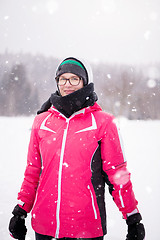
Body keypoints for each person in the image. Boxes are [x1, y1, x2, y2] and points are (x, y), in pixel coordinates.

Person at [9, 57, 145, 240]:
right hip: (44, 225)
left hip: (86, 226)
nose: (68, 84)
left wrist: (132, 217)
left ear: (85, 82)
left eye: (74, 78)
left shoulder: (103, 123)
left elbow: (117, 175)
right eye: (62, 79)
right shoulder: (42, 122)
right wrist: (21, 210)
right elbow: (33, 171)